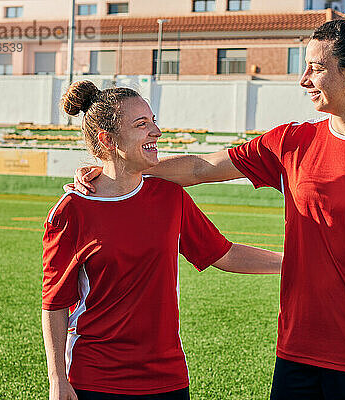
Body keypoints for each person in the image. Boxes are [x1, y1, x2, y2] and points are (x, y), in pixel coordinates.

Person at [73, 4, 345, 400]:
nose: (303, 80)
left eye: (316, 68)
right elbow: (201, 169)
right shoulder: (292, 141)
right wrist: (119, 171)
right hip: (296, 349)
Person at [42, 80, 283, 400]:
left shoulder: (170, 197)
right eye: (142, 124)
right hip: (96, 378)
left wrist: (294, 263)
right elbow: (55, 303)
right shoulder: (71, 211)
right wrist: (58, 378)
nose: (156, 131)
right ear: (107, 139)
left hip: (167, 377)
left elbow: (224, 254)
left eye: (154, 121)